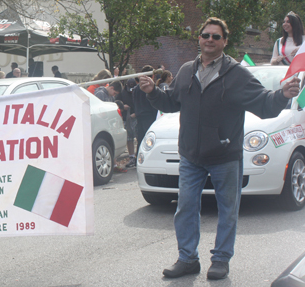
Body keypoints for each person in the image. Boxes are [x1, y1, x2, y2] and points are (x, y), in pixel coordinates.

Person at [138, 17, 300, 280]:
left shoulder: (236, 74)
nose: (209, 40)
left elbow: (263, 104)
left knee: (227, 211)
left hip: (225, 156)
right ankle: (187, 258)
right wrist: (152, 92)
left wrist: (282, 94)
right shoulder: (186, 71)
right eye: (205, 35)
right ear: (199, 39)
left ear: (224, 41)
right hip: (191, 155)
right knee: (186, 208)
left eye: (216, 36)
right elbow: (169, 103)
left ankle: (221, 259)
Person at [94, 80, 127, 173]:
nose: (114, 95)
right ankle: (113, 165)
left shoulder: (110, 96)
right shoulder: (100, 94)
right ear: (111, 88)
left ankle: (114, 164)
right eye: (114, 93)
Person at [132, 65, 156, 160]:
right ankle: (151, 159)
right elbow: (153, 103)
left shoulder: (136, 89)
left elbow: (134, 102)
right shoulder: (150, 88)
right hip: (149, 116)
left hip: (139, 116)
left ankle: (139, 158)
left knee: (141, 139)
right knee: (150, 140)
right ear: (152, 76)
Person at [115, 78, 137, 168]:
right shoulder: (122, 93)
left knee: (139, 136)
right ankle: (131, 156)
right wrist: (123, 107)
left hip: (136, 116)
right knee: (129, 138)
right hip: (125, 117)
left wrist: (136, 113)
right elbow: (116, 103)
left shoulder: (138, 91)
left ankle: (138, 155)